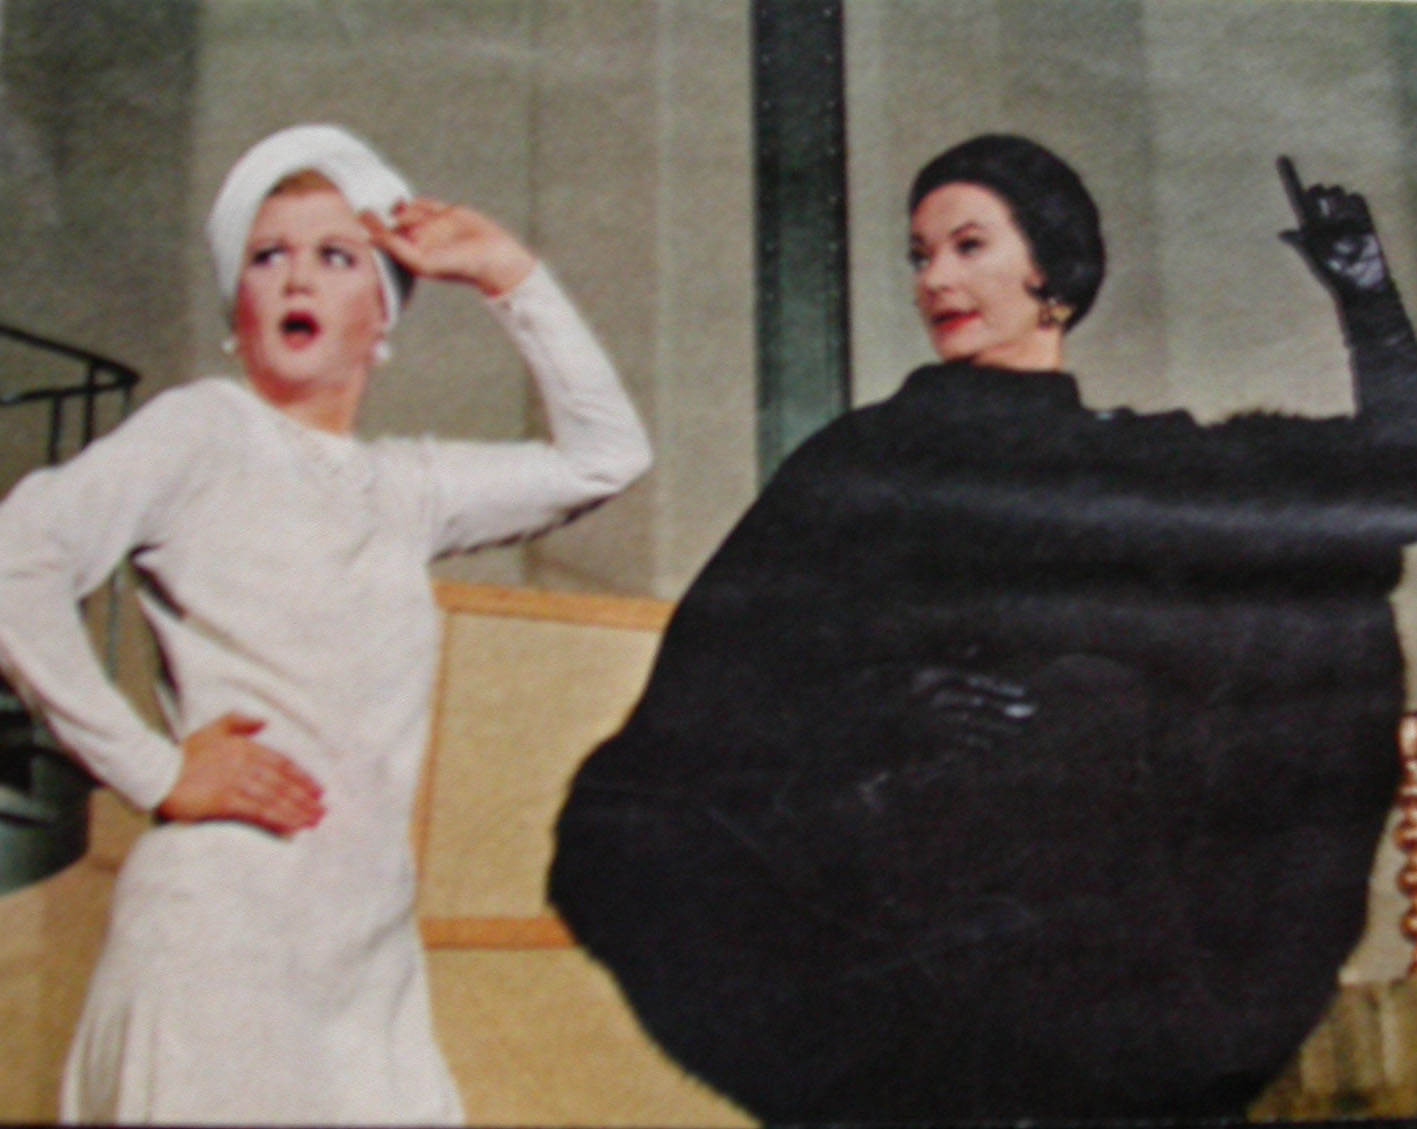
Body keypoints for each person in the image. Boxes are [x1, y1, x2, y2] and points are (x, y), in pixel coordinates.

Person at [549, 134, 1417, 1121]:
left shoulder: (1142, 463)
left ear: (1051, 268)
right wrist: (874, 715)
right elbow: (715, 697)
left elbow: (1389, 492)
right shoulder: (858, 463)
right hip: (909, 958)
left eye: (968, 245)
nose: (935, 279)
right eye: (919, 255)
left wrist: (1366, 296)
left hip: (1113, 970)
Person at [0, 122, 651, 1123]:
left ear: (382, 317)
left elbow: (606, 456)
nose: (296, 276)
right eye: (268, 256)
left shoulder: (408, 488)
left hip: (365, 967)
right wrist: (155, 770)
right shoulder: (203, 428)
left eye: (336, 256)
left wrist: (505, 272)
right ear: (238, 310)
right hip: (215, 948)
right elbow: (16, 559)